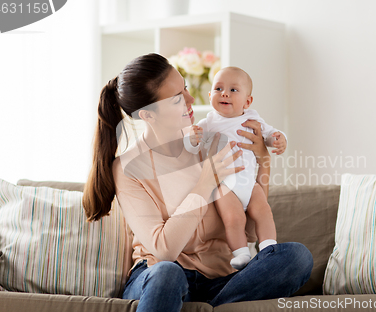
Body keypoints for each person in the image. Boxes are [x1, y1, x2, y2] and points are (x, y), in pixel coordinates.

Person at [82, 53, 312, 312]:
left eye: (186, 88)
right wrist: (204, 184)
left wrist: (263, 161)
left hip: (222, 280)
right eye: (178, 98)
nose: (191, 100)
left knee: (296, 257)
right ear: (148, 115)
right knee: (168, 273)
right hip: (159, 277)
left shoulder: (212, 140)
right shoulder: (127, 167)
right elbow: (164, 250)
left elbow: (247, 232)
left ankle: (208, 307)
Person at [183, 67, 287, 270]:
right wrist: (191, 138)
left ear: (247, 102)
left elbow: (270, 134)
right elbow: (192, 145)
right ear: (210, 95)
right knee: (234, 218)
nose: (224, 93)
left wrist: (279, 139)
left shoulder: (253, 119)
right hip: (225, 183)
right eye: (219, 88)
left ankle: (268, 247)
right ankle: (241, 254)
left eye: (233, 90)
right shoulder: (209, 122)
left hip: (249, 182)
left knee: (264, 211)